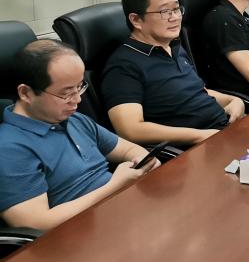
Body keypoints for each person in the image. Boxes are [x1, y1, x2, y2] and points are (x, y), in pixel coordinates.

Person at [0, 40, 158, 230]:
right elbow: (35, 223)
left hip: (124, 212)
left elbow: (129, 149)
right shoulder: (9, 148)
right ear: (26, 93)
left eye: (79, 87)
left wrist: (142, 161)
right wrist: (115, 184)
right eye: (66, 93)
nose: (77, 100)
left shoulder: (74, 119)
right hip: (80, 234)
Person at [103, 0, 245, 147]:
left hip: (225, 131)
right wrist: (200, 136)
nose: (175, 17)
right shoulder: (123, 66)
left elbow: (197, 93)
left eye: (177, 9)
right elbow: (130, 130)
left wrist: (233, 101)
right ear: (136, 20)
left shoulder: (174, 47)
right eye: (165, 12)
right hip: (198, 148)